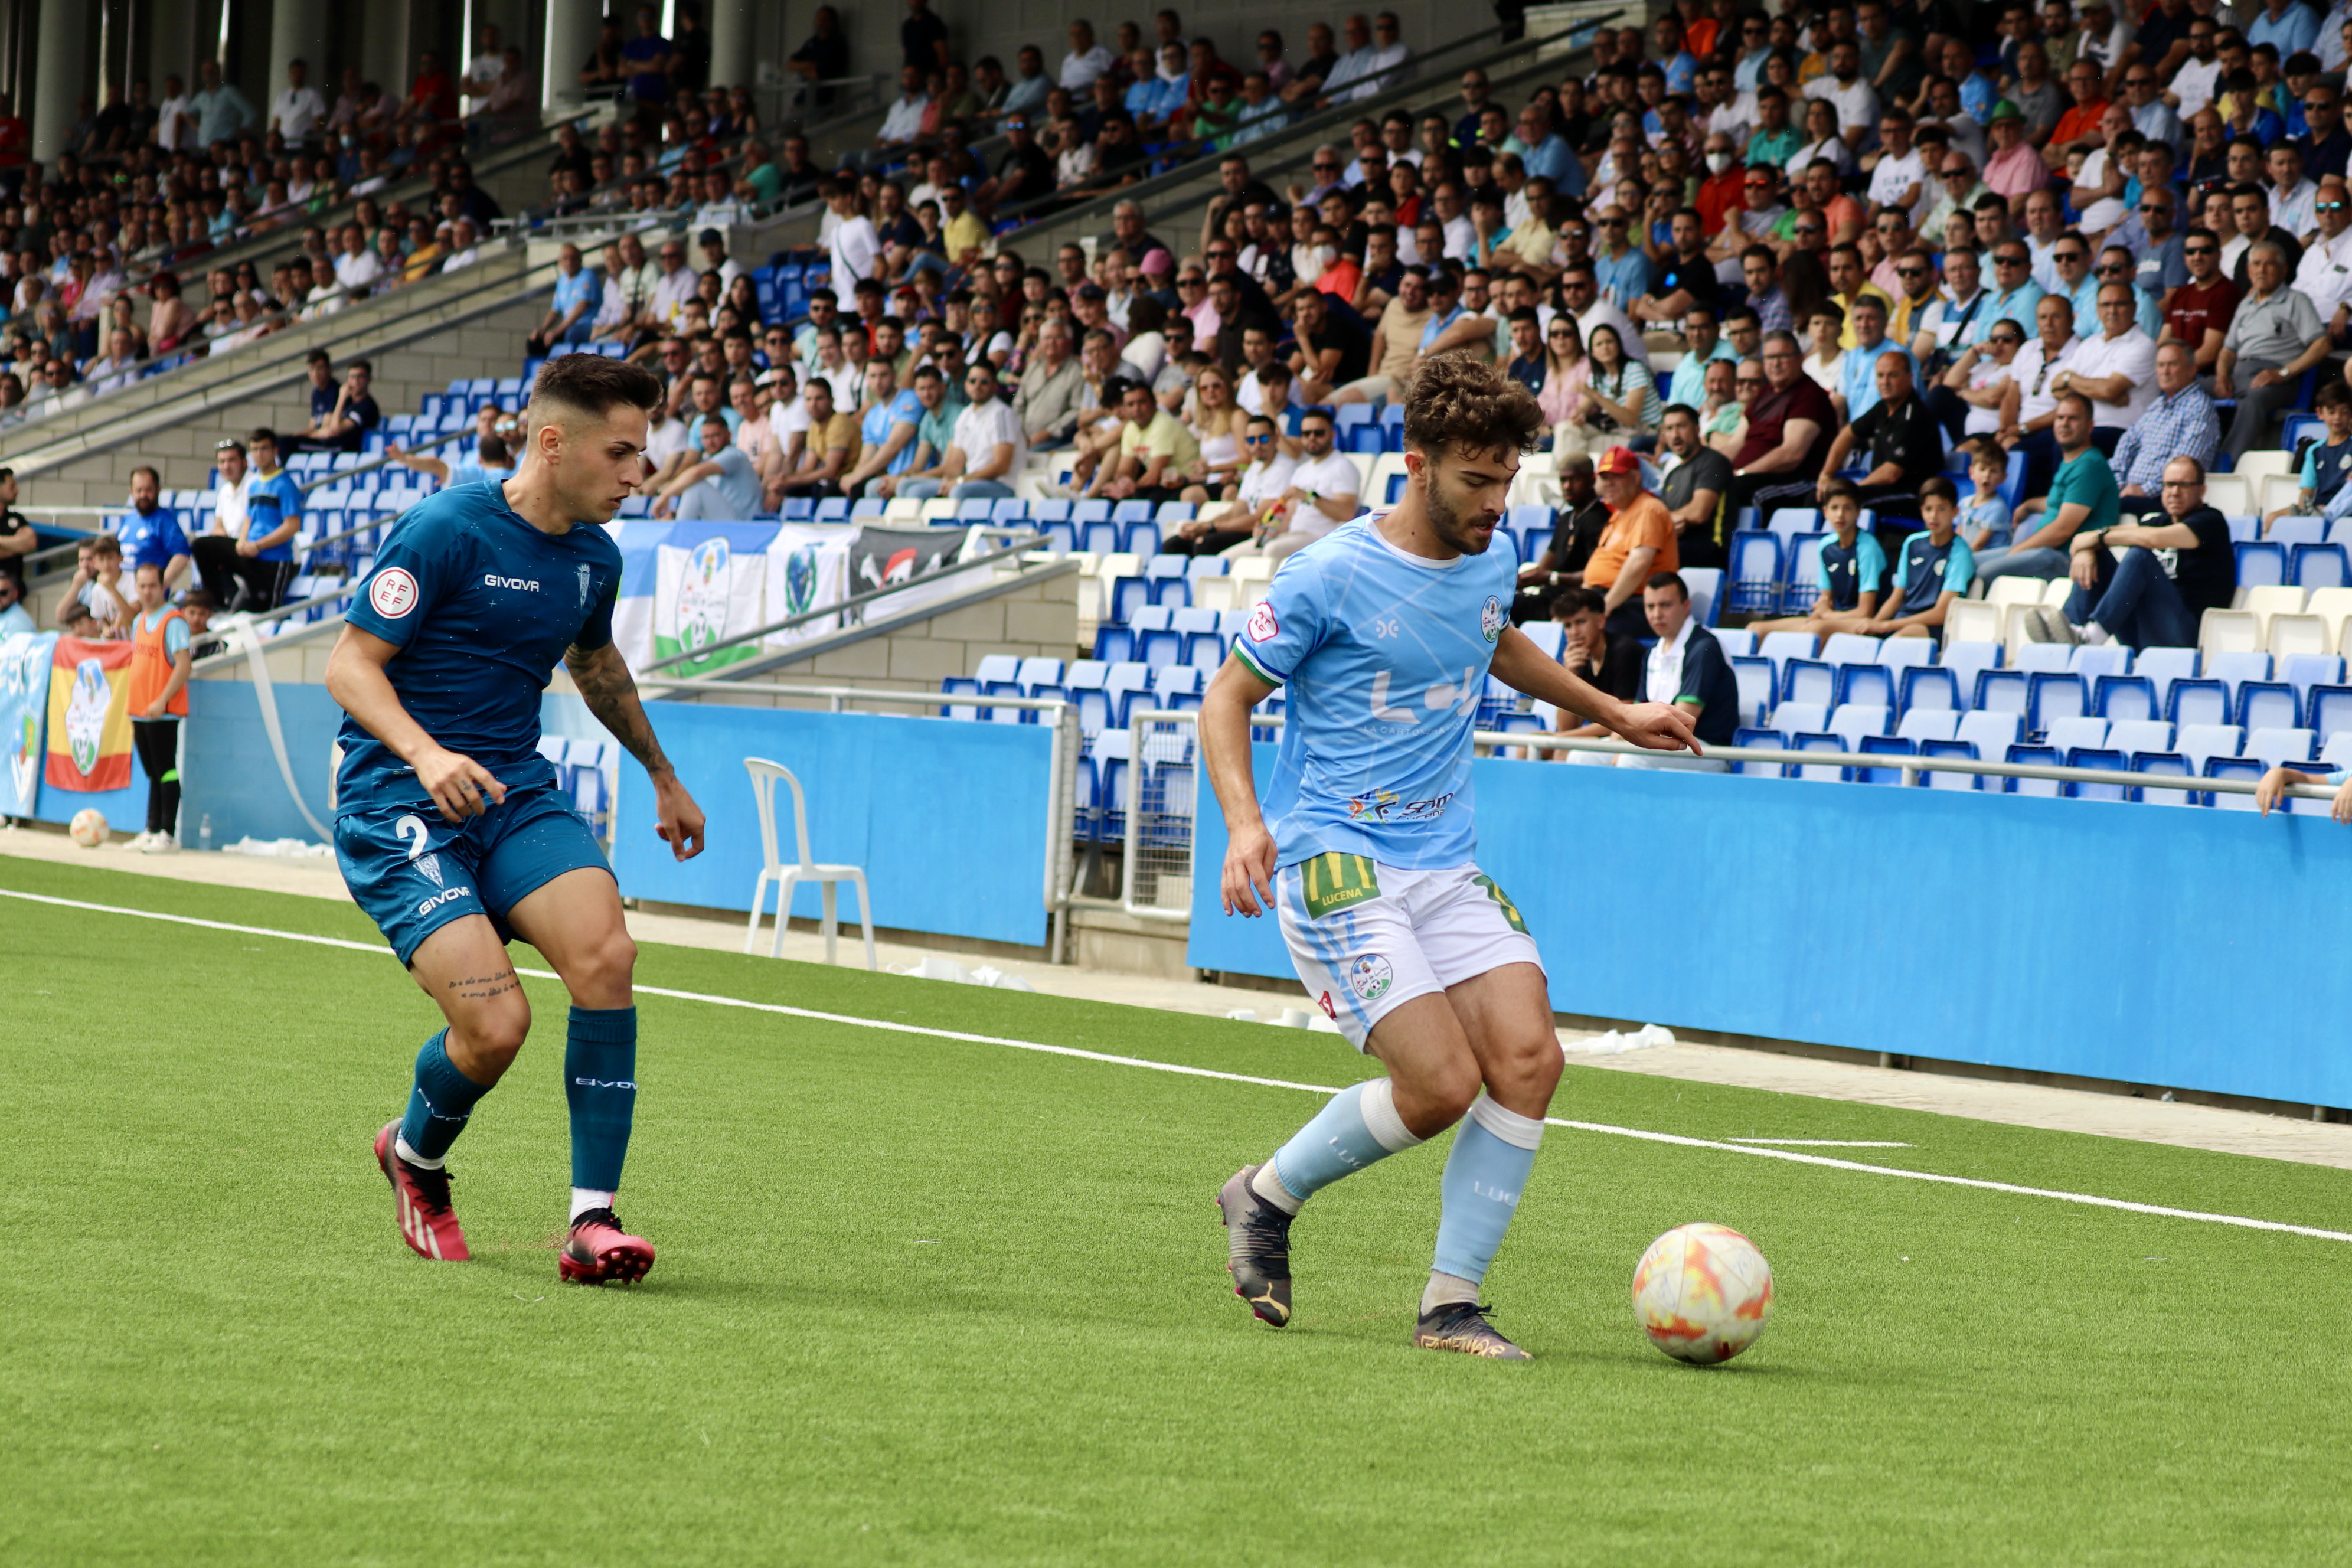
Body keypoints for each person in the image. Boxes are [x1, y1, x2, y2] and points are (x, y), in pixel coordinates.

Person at [1201, 352, 1697, 1361]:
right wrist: (1245, 823)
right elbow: (1225, 699)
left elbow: (1491, 638)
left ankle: (1448, 1306)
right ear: (1415, 465)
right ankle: (1263, 1195)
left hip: (1441, 858)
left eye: (1504, 479)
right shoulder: (1328, 573)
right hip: (1334, 856)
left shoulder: (1485, 557)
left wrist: (1611, 710)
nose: (1493, 502)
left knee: (1528, 1059)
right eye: (1474, 481)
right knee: (1436, 1087)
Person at [322, 353, 707, 1281]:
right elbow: (348, 665)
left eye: (641, 453)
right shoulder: (448, 526)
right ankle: (413, 1157)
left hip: (512, 795)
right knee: (497, 1030)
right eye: (621, 452)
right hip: (396, 798)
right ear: (550, 441)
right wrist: (425, 752)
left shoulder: (593, 558)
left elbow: (598, 665)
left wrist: (662, 774)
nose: (637, 473)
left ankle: (592, 1221)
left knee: (607, 957)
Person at [2063, 455, 2237, 647]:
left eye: (2184, 485)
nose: (2175, 492)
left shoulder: (2211, 522)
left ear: (2202, 490)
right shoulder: (2159, 522)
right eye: (2169, 485)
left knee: (2140, 556)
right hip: (2146, 629)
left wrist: (2097, 539)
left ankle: (2092, 636)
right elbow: (2085, 539)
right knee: (2100, 557)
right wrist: (2089, 551)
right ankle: (2069, 634)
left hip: (2186, 635)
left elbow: (2152, 539)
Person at [1978, 393, 2119, 581]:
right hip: (2047, 554)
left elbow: (2062, 530)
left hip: (2067, 557)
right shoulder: (2072, 460)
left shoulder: (2089, 465)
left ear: (2090, 426)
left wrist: (2016, 552)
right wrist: (2029, 505)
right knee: (1968, 563)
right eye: (2060, 418)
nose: (2065, 423)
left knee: (1984, 573)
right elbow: (2061, 503)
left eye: (2073, 418)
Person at [2216, 241, 2332, 458]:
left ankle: (2226, 464)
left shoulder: (2296, 301)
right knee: (2189, 387)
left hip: (2274, 379)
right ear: (2249, 270)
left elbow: (2322, 345)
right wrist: (2222, 376)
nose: (2261, 270)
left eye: (2269, 264)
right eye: (2257, 264)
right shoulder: (2246, 305)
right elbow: (2228, 351)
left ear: (2284, 270)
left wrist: (2283, 373)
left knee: (2254, 399)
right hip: (2238, 376)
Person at [1622, 571, 1738, 765]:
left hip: (1706, 749)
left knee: (1630, 759)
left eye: (1665, 605)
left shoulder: (1704, 648)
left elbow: (1684, 720)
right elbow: (1639, 713)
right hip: (1667, 743)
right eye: (1650, 606)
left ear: (1686, 606)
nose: (1656, 614)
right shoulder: (1651, 652)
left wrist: (1630, 743)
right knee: (1581, 754)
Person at [1746, 479, 1887, 634]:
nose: (1840, 515)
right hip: (1836, 619)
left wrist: (1827, 615)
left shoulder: (1867, 548)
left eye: (1847, 508)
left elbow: (1865, 612)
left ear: (1858, 512)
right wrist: (1822, 609)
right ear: (1826, 512)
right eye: (1835, 508)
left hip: (1865, 623)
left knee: (1814, 629)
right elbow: (1826, 599)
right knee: (1755, 629)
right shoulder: (1826, 547)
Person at [1730, 330, 1838, 517]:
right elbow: (1735, 444)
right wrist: (1712, 470)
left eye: (1783, 356)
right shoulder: (1765, 394)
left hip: (1796, 480)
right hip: (1751, 477)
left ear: (1800, 358)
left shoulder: (1809, 395)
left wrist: (1741, 473)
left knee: (1741, 490)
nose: (1776, 363)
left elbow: (1791, 454)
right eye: (1770, 357)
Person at [123, 561, 191, 852]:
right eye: (142, 586)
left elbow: (184, 664)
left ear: (163, 586)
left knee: (166, 769)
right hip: (140, 709)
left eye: (152, 586)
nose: (147, 592)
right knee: (152, 771)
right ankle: (151, 828)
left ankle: (167, 832)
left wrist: (162, 698)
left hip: (162, 711)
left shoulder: (173, 621)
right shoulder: (140, 620)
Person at [192, 430, 300, 612]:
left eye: (264, 448)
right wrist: (242, 542)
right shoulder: (251, 485)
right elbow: (246, 519)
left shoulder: (279, 483)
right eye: (255, 449)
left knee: (264, 611)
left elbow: (293, 525)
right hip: (249, 552)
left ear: (275, 451)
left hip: (273, 557)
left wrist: (256, 545)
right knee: (202, 547)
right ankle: (219, 604)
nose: (259, 454)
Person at [2110, 341, 2222, 512]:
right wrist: (2119, 485)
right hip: (2129, 493)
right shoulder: (2157, 405)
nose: (2165, 372)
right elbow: (2126, 445)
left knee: (2094, 509)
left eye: (2173, 364)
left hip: (2167, 498)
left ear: (2192, 370)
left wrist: (2143, 490)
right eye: (2161, 365)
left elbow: (2183, 468)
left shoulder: (2199, 408)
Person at [1581, 444, 1679, 640]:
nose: (1609, 483)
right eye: (1605, 478)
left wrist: (1604, 609)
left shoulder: (1648, 509)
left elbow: (1638, 564)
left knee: (1587, 635)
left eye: (1617, 476)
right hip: (1609, 602)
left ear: (1636, 478)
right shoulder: (1618, 515)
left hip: (1637, 604)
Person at [1168, 411, 1293, 555]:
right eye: (1252, 440)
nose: (1257, 445)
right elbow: (1236, 512)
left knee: (1204, 545)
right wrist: (1201, 526)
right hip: (1247, 527)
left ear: (1276, 438)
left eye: (1263, 438)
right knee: (1175, 544)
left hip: (1262, 531)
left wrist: (1210, 528)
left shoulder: (1284, 468)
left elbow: (1260, 518)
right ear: (1246, 443)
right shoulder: (1255, 467)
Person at [1866, 476, 1975, 638]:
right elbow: (1896, 599)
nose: (1934, 516)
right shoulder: (1912, 543)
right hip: (1901, 620)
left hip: (1931, 628)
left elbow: (1941, 613)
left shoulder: (1960, 552)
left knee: (1897, 641)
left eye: (1942, 509)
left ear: (1955, 512)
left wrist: (1887, 625)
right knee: (1834, 630)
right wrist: (1874, 625)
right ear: (1922, 510)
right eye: (1929, 509)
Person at [1257, 407, 1362, 563]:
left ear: (1332, 435)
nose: (1312, 438)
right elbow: (1289, 516)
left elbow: (1347, 513)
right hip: (1294, 536)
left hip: (1322, 538)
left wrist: (1309, 496)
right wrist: (1268, 530)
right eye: (1306, 434)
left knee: (1272, 551)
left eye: (1318, 433)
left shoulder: (1342, 466)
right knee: (1230, 557)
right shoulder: (1302, 470)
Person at [1656, 403, 1732, 568]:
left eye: (1681, 427)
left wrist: (1662, 523)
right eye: (1669, 429)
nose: (1675, 435)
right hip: (1679, 546)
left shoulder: (1714, 461)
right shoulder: (1673, 474)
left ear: (1697, 429)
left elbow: (1699, 513)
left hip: (1711, 549)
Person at [657, 413, 764, 519]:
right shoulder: (710, 460)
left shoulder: (734, 455)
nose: (710, 442)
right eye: (706, 437)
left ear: (729, 435)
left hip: (744, 524)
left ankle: (679, 531)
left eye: (716, 435)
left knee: (696, 485)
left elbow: (696, 473)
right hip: (728, 521)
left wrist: (666, 494)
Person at [115, 465, 190, 589]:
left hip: (148, 599)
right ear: (131, 491)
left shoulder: (165, 521)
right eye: (139, 490)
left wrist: (159, 587)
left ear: (158, 490)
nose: (143, 495)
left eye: (148, 490)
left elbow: (181, 555)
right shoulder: (128, 519)